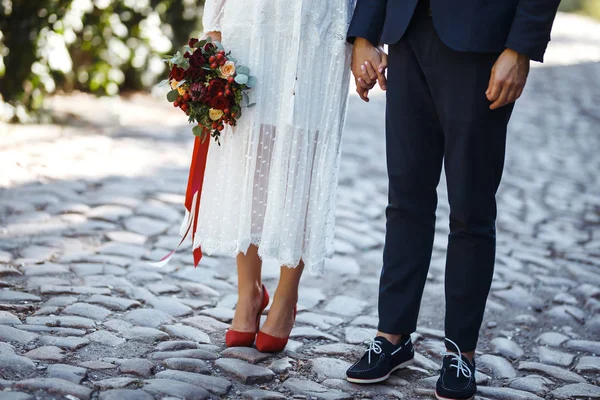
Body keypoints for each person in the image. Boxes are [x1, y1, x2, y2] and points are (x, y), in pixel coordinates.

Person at [344, 0, 560, 398]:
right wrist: (364, 33)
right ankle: (392, 337)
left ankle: (462, 350)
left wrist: (521, 46)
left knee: (470, 207)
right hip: (406, 32)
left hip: (482, 41)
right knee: (405, 199)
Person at [198, 0, 354, 352]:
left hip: (319, 22)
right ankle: (248, 291)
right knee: (252, 153)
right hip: (252, 17)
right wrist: (214, 21)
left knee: (303, 150)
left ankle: (286, 296)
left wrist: (367, 35)